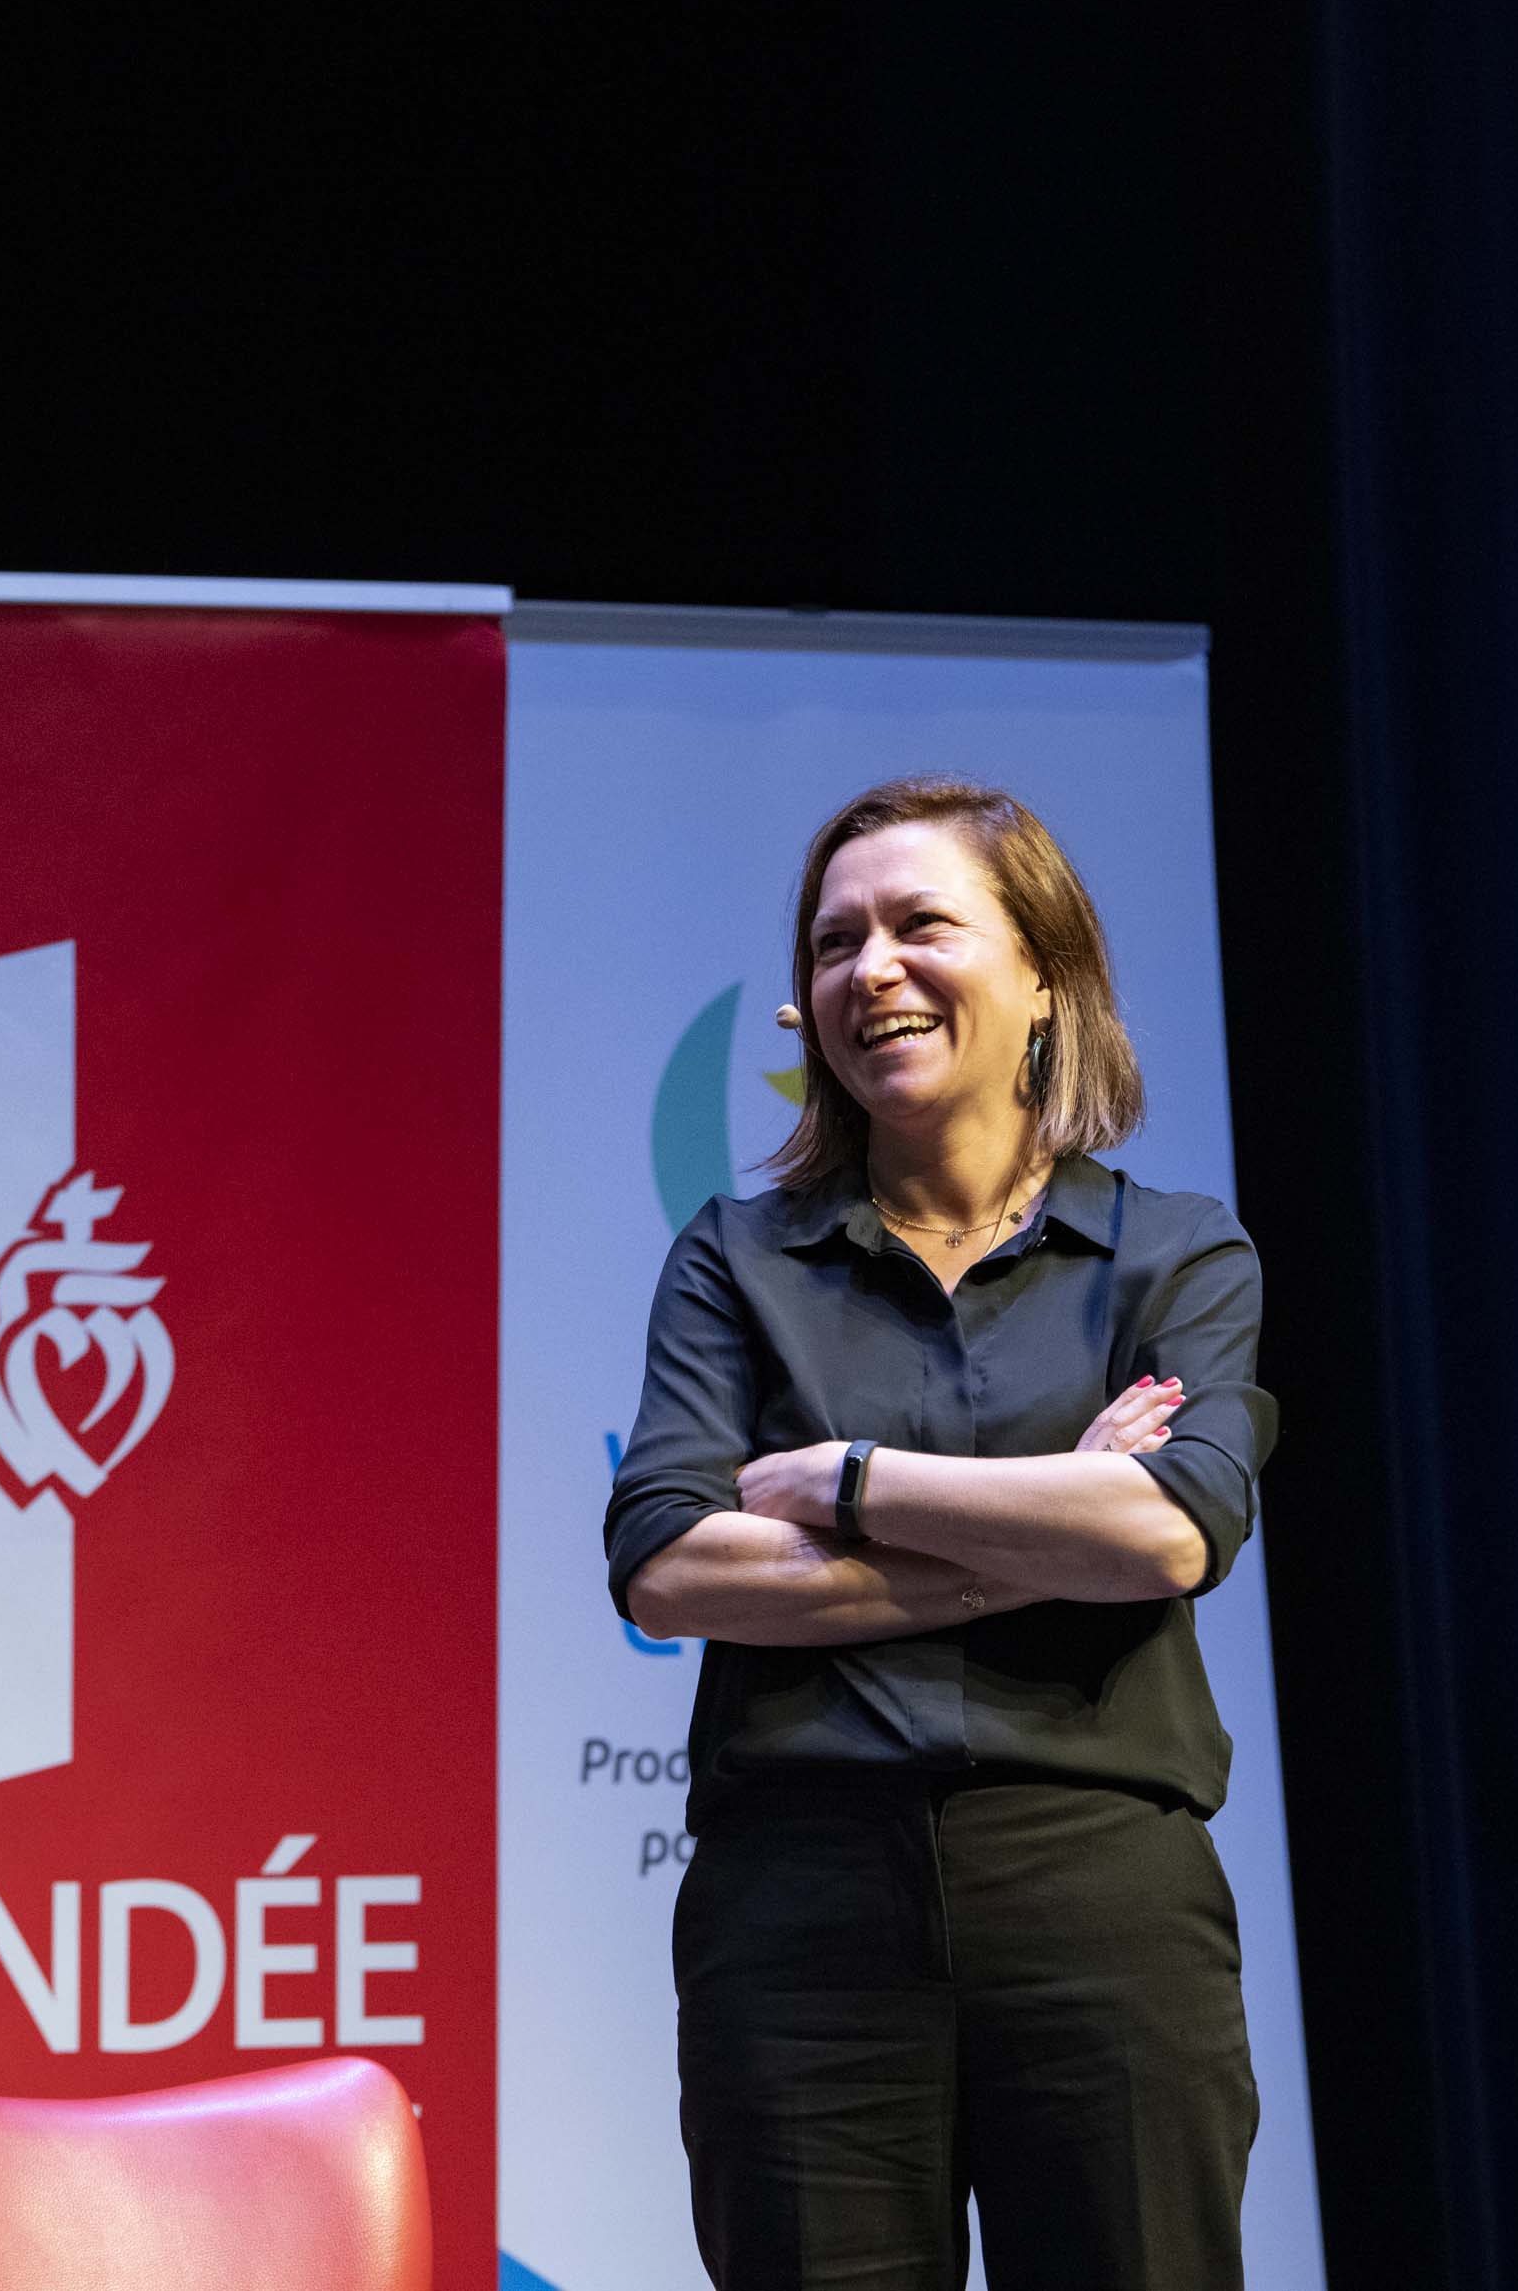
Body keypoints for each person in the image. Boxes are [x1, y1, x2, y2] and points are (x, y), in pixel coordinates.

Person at [605, 775, 1277, 2289]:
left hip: (1102, 1901)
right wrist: (1048, 1527)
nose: (872, 969)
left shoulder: (1175, 1252)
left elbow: (1170, 1533)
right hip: (801, 1920)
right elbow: (669, 1562)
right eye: (835, 942)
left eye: (921, 924)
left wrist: (843, 1480)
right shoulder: (736, 1260)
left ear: (1043, 973)